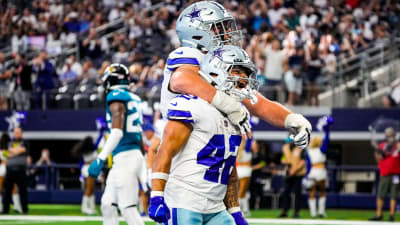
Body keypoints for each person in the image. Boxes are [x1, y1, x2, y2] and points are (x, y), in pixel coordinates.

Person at [159, 1, 311, 164]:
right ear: (197, 33)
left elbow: (256, 102)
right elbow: (181, 80)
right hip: (183, 157)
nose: (228, 32)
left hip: (210, 159)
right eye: (219, 27)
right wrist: (228, 105)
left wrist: (292, 119)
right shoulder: (191, 54)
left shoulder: (218, 64)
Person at [149, 45, 258, 225]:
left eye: (246, 74)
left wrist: (235, 212)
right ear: (216, 72)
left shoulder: (235, 115)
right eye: (238, 71)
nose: (244, 79)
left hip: (215, 207)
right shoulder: (192, 105)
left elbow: (229, 168)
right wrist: (156, 196)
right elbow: (165, 150)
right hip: (184, 201)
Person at [88, 63, 147, 225]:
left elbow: (117, 131)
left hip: (126, 157)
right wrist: (144, 160)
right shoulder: (134, 98)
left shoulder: (116, 96)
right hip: (129, 156)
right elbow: (138, 133)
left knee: (128, 208)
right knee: (107, 204)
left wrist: (100, 158)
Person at [369, 127, 400, 222]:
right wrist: (379, 154)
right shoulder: (382, 145)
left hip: (396, 174)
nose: (390, 136)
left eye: (391, 134)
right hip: (384, 173)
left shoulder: (398, 145)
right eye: (388, 134)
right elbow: (378, 158)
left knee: (394, 195)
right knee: (380, 195)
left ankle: (391, 215)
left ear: (394, 135)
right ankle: (379, 215)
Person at [305, 116, 333, 218]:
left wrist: (307, 175)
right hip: (320, 171)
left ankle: (314, 213)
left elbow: (307, 164)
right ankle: (320, 212)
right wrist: (327, 131)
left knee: (313, 192)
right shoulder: (321, 150)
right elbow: (327, 142)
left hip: (313, 172)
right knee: (322, 191)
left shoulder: (309, 151)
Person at [2, 127, 29, 214]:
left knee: (23, 190)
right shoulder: (9, 142)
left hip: (20, 169)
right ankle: (5, 209)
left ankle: (24, 209)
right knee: (7, 191)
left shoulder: (25, 142)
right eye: (15, 132)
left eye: (18, 132)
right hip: (10, 170)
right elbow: (4, 154)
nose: (16, 134)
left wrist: (11, 151)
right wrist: (14, 151)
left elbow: (21, 150)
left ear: (21, 133)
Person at [279, 137, 307, 218]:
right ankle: (285, 211)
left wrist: (293, 171)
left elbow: (302, 162)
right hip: (288, 173)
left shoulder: (301, 148)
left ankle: (296, 212)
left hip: (298, 173)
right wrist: (283, 161)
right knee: (286, 192)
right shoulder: (285, 147)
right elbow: (283, 157)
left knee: (297, 193)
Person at [71, 136, 97, 215]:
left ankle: (92, 207)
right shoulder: (88, 150)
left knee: (92, 189)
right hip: (88, 169)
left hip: (91, 168)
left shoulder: (91, 149)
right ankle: (84, 208)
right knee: (89, 189)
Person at [237, 138, 253, 217]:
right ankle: (240, 210)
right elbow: (250, 141)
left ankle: (246, 210)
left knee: (242, 192)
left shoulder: (237, 151)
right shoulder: (246, 150)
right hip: (245, 171)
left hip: (238, 170)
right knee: (242, 192)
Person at [0, 132, 11, 212]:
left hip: (4, 168)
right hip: (8, 168)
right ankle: (18, 207)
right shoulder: (8, 148)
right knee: (13, 188)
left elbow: (4, 160)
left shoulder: (5, 149)